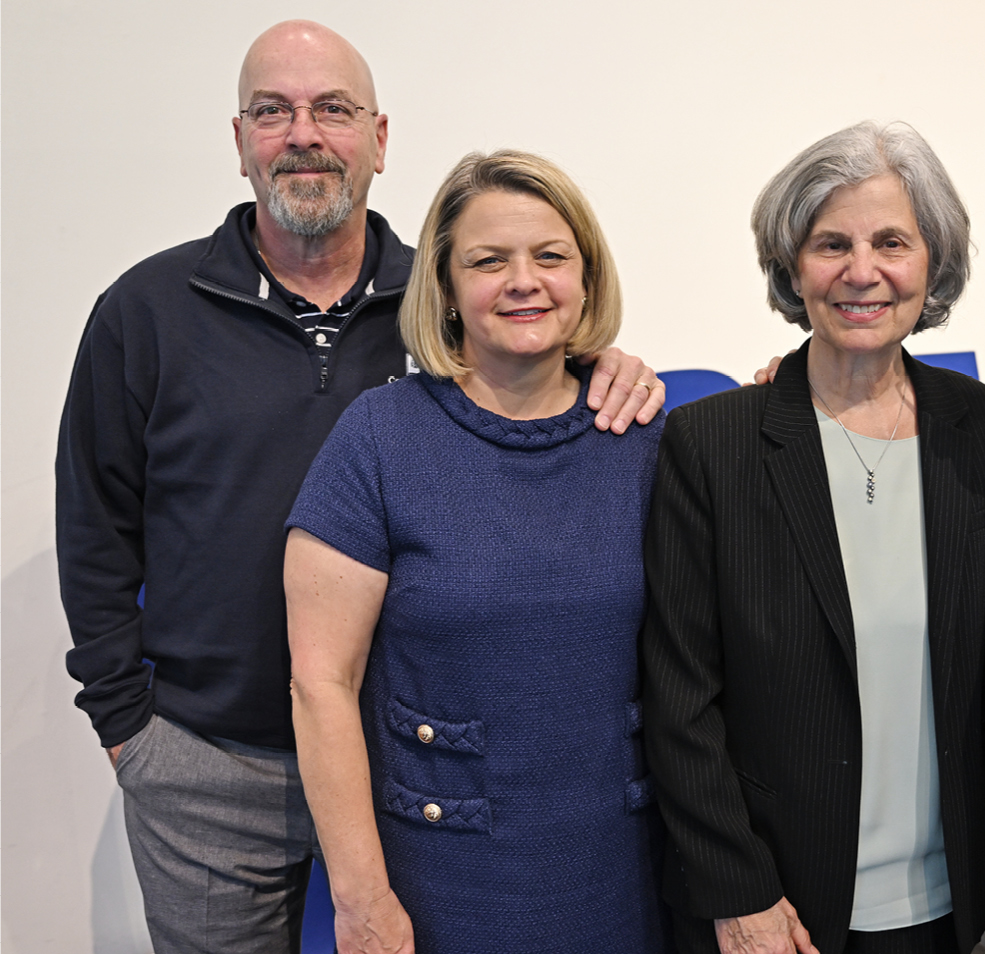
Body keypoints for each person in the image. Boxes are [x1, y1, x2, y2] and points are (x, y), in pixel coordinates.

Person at [55, 21, 662, 952]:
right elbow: (93, 521)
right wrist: (130, 729)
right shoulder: (147, 311)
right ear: (240, 140)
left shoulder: (450, 297)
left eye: (333, 110)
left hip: (402, 769)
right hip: (211, 765)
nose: (304, 133)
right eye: (274, 111)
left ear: (379, 140)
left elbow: (536, 365)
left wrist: (609, 362)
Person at [285, 149, 670, 954]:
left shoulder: (646, 437)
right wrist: (360, 900)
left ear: (588, 279)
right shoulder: (379, 439)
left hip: (625, 874)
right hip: (441, 882)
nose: (523, 280)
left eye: (551, 256)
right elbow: (323, 682)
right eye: (488, 261)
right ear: (448, 290)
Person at [642, 121, 985, 954]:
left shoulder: (983, 428)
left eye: (892, 242)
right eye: (830, 243)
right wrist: (741, 894)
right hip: (781, 906)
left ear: (933, 262)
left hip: (952, 901)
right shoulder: (713, 444)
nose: (862, 271)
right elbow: (678, 699)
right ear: (791, 267)